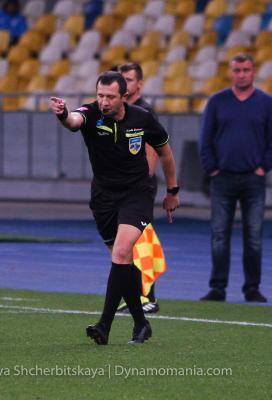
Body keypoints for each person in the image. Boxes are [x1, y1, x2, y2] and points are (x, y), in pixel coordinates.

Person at [49, 71, 180, 345]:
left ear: (125, 97)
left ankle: (104, 325)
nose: (104, 102)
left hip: (137, 194)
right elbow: (74, 121)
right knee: (122, 262)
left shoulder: (142, 118)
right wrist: (63, 114)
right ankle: (141, 324)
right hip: (103, 198)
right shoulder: (91, 113)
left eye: (110, 97)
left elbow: (165, 153)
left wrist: (172, 191)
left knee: (121, 253)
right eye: (100, 95)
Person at [198, 53, 272, 303]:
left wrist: (263, 167)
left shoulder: (267, 103)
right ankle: (218, 288)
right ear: (231, 72)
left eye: (246, 70)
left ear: (253, 72)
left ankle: (252, 288)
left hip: (253, 179)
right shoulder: (217, 102)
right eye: (237, 70)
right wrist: (212, 168)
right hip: (222, 178)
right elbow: (205, 139)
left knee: (254, 236)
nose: (242, 74)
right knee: (219, 235)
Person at [116, 62, 163, 314]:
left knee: (141, 239)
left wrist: (144, 181)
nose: (124, 83)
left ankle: (147, 296)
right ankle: (136, 294)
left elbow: (153, 149)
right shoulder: (119, 110)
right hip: (122, 185)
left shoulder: (143, 112)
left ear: (139, 84)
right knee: (128, 241)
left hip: (138, 186)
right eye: (121, 78)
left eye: (129, 79)